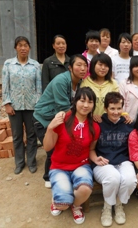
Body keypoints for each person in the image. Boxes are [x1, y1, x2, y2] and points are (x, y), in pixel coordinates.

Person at [43, 87, 100, 224]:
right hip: (59, 166)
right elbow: (47, 147)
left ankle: (75, 205)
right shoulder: (63, 119)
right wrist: (50, 127)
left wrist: (96, 158)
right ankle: (59, 199)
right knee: (62, 204)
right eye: (82, 100)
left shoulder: (95, 127)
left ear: (94, 105)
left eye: (90, 102)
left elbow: (91, 149)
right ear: (75, 101)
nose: (86, 105)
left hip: (81, 165)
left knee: (85, 188)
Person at [33, 54, 88, 188]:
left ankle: (58, 176)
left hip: (59, 118)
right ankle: (49, 177)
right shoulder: (61, 81)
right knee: (52, 150)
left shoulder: (79, 82)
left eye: (85, 66)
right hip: (44, 118)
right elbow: (63, 107)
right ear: (70, 67)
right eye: (78, 65)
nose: (82, 68)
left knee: (59, 148)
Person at [90, 92, 137, 227]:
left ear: (123, 108)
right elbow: (91, 149)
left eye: (119, 108)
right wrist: (95, 159)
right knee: (113, 178)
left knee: (130, 180)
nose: (116, 112)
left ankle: (118, 204)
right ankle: (107, 207)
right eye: (112, 108)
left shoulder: (129, 123)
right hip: (103, 162)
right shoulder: (98, 123)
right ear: (105, 108)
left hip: (123, 160)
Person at [2, 36, 41, 175]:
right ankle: (19, 163)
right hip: (15, 107)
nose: (23, 48)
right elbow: (5, 85)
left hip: (31, 106)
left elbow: (39, 87)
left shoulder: (35, 65)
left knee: (32, 135)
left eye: (26, 45)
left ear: (29, 47)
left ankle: (31, 162)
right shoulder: (8, 64)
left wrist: (37, 104)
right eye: (20, 45)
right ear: (15, 48)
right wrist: (7, 103)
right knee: (17, 135)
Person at [80, 53, 119, 122]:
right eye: (100, 65)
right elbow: (81, 103)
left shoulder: (113, 84)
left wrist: (104, 116)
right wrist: (91, 114)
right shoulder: (85, 83)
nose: (103, 68)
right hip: (89, 121)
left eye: (106, 66)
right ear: (93, 66)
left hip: (108, 122)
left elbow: (116, 104)